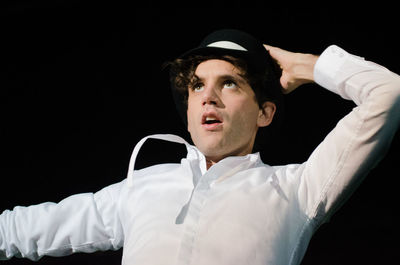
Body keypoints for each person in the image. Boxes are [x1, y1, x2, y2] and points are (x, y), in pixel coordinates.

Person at [0, 29, 399, 265]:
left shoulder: (297, 189)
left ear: (265, 113)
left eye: (229, 82)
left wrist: (303, 66)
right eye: (197, 86)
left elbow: (389, 93)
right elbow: (21, 230)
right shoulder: (143, 186)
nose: (208, 96)